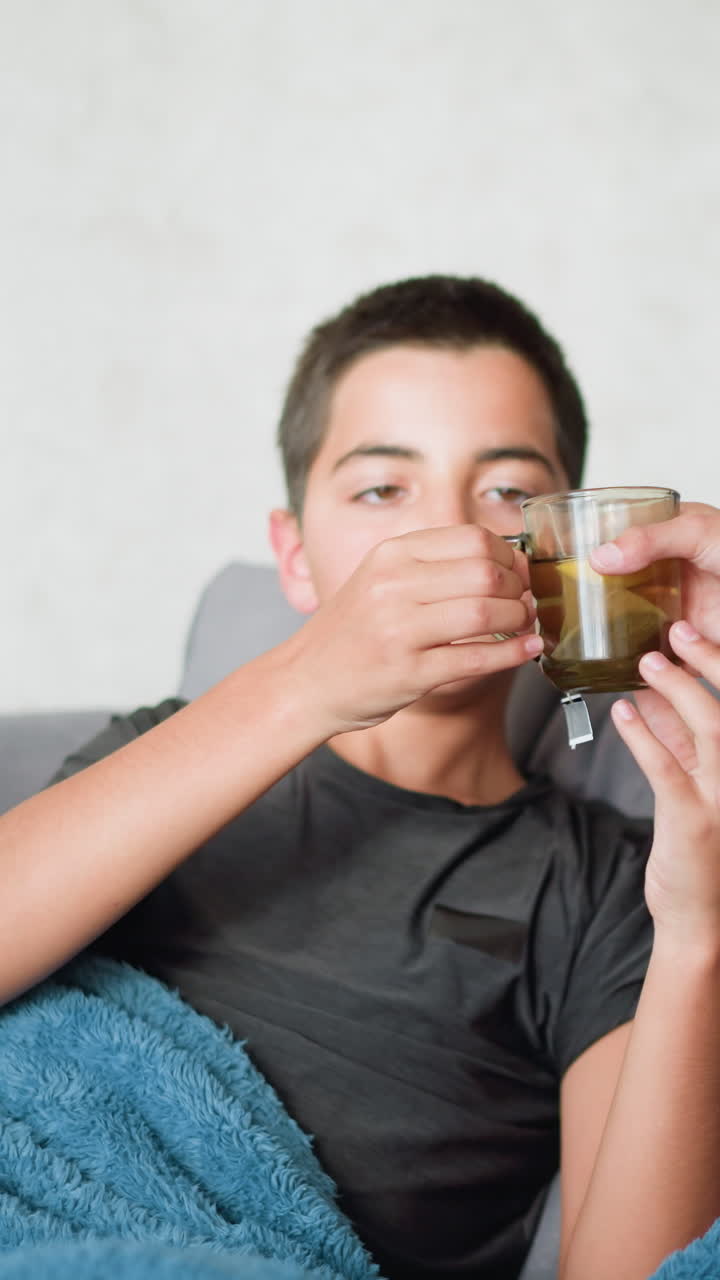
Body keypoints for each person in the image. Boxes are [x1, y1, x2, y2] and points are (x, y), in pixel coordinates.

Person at [2, 274, 720, 1280]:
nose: (452, 533)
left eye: (510, 489)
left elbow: (633, 1269)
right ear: (295, 559)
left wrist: (699, 930)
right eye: (383, 487)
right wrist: (307, 684)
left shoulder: (610, 888)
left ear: (571, 552)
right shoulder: (176, 745)